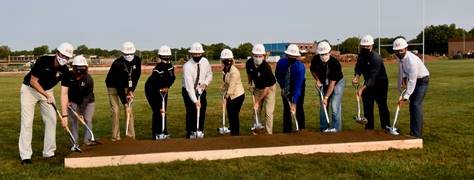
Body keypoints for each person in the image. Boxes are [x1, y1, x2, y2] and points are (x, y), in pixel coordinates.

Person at [19, 42, 73, 165]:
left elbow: (64, 94)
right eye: (63, 55)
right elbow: (33, 81)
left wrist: (65, 116)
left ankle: (48, 152)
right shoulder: (43, 60)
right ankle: (25, 156)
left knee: (51, 120)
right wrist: (46, 95)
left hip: (47, 91)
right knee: (27, 122)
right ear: (57, 53)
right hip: (29, 90)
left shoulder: (65, 71)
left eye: (67, 57)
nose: (64, 59)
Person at [393, 38, 430, 138]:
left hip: (422, 81)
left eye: (401, 50)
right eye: (397, 51)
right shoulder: (399, 58)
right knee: (412, 107)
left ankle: (417, 135)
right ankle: (413, 132)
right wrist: (404, 80)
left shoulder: (412, 61)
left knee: (415, 105)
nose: (399, 52)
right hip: (413, 80)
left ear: (406, 48)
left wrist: (405, 98)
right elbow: (403, 70)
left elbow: (413, 81)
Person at [105, 41, 141, 140]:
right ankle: (115, 137)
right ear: (122, 53)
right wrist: (125, 102)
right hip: (113, 86)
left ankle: (130, 136)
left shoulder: (137, 60)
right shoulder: (117, 64)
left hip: (126, 85)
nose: (129, 55)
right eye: (126, 54)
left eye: (131, 53)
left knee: (129, 111)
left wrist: (131, 91)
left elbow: (136, 77)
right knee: (116, 111)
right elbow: (119, 85)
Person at [353, 35, 390, 129]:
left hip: (380, 83)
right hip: (368, 83)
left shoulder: (376, 58)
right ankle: (369, 128)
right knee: (367, 105)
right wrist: (356, 76)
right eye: (363, 46)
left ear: (372, 46)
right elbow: (358, 67)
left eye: (367, 46)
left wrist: (361, 89)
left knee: (382, 106)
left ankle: (386, 127)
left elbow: (373, 77)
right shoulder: (361, 55)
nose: (365, 48)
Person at [310, 41, 345, 132]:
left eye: (326, 54)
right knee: (323, 107)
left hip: (337, 83)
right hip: (323, 82)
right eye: (322, 54)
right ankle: (324, 128)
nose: (324, 56)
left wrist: (326, 97)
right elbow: (312, 70)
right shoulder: (315, 59)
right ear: (319, 54)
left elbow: (332, 84)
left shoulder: (335, 64)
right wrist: (317, 80)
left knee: (334, 106)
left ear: (329, 52)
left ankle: (336, 129)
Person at [61, 55, 95, 146]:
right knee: (73, 121)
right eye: (78, 68)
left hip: (88, 101)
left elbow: (86, 97)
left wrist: (81, 113)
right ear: (74, 67)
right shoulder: (68, 76)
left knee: (88, 119)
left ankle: (88, 141)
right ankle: (74, 143)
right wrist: (67, 101)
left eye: (82, 67)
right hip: (73, 101)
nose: (80, 70)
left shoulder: (88, 79)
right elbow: (65, 92)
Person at [182, 42, 212, 138]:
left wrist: (206, 83)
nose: (197, 56)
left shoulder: (205, 62)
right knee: (191, 111)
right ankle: (190, 132)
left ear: (201, 54)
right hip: (188, 91)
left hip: (201, 90)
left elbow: (209, 74)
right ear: (191, 54)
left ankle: (200, 131)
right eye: (195, 54)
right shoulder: (187, 66)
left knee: (202, 111)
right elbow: (189, 87)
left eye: (199, 54)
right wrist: (195, 101)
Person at [145, 45, 176, 140]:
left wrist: (167, 87)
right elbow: (155, 81)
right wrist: (162, 88)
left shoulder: (171, 66)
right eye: (163, 56)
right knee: (157, 111)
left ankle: (164, 131)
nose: (166, 58)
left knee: (163, 110)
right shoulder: (157, 68)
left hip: (164, 90)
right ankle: (156, 134)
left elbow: (172, 78)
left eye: (167, 56)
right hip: (152, 90)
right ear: (160, 56)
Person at [246, 44, 276, 134]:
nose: (258, 58)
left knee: (268, 112)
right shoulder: (249, 63)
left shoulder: (266, 68)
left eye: (260, 56)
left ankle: (268, 133)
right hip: (258, 88)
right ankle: (256, 129)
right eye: (256, 56)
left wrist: (258, 102)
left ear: (264, 56)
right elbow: (249, 74)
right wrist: (249, 83)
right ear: (252, 55)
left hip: (269, 88)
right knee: (256, 110)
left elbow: (267, 89)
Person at [275, 44, 306, 133]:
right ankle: (287, 129)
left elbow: (298, 86)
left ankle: (301, 127)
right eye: (290, 56)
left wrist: (294, 103)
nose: (292, 58)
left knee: (299, 105)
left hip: (298, 84)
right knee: (286, 106)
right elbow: (278, 75)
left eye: (294, 57)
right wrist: (282, 87)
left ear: (297, 57)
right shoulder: (281, 63)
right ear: (286, 55)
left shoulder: (300, 67)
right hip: (285, 83)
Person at [220, 49, 245, 136]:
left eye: (229, 59)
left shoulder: (234, 71)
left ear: (231, 60)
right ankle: (233, 130)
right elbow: (227, 82)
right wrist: (223, 87)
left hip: (238, 95)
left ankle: (236, 133)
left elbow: (232, 86)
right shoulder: (225, 69)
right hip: (230, 95)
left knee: (233, 114)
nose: (227, 61)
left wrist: (226, 97)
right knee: (230, 114)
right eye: (225, 59)